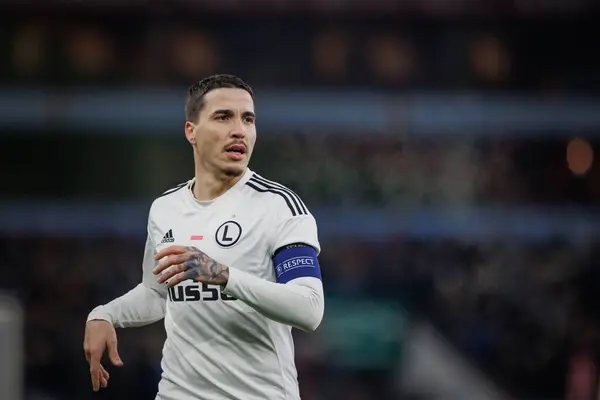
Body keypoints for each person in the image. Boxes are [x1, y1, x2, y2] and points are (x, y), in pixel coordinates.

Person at [83, 74, 325, 400]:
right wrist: (106, 314)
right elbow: (157, 293)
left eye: (248, 119)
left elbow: (309, 309)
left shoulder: (279, 206)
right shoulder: (165, 209)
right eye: (223, 117)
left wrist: (224, 275)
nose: (239, 129)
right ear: (191, 132)